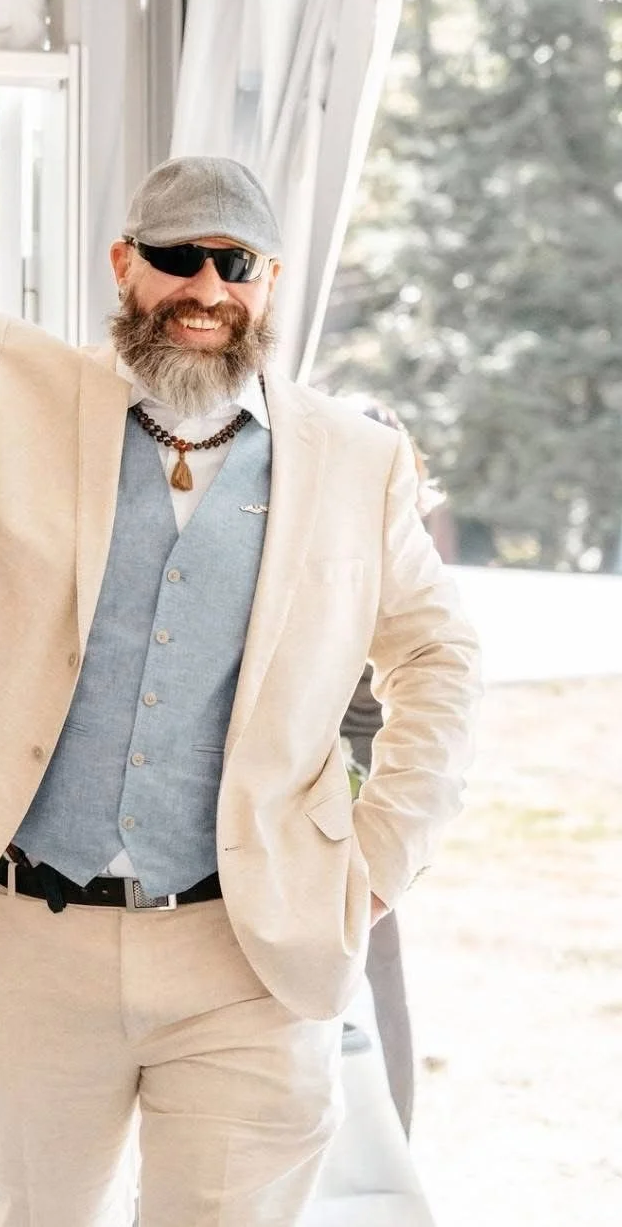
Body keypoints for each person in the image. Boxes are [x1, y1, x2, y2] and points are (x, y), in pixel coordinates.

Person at [0, 128, 480, 1227]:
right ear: (122, 265)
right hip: (28, 934)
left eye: (235, 263)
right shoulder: (9, 385)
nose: (205, 286)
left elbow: (435, 653)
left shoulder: (354, 457)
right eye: (177, 255)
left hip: (248, 948)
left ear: (268, 284)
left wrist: (382, 852)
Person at [340, 396, 447, 1139]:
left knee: (376, 978)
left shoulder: (398, 564)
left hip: (362, 808)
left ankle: (386, 1161)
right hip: (323, 801)